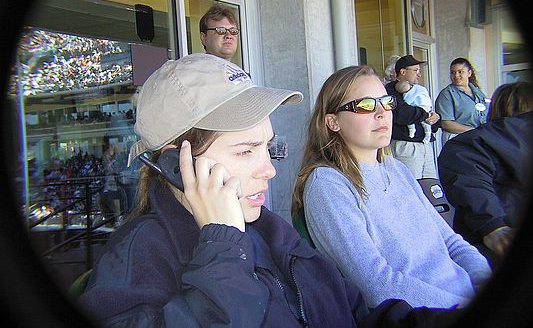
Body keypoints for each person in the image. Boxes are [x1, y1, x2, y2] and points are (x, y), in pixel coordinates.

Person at [78, 54, 458, 327]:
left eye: (268, 148)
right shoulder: (140, 256)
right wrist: (220, 245)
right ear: (176, 163)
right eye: (246, 151)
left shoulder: (270, 230)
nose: (270, 170)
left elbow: (355, 313)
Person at [292, 64, 491, 309]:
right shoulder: (328, 184)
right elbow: (379, 285)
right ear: (333, 122)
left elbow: (451, 242)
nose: (381, 113)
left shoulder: (397, 170)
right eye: (365, 105)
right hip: (425, 313)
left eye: (386, 102)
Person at [438, 81, 533, 268]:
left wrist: (493, 226)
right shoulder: (449, 95)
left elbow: (469, 177)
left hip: (489, 249)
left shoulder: (476, 143)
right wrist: (493, 226)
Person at [385, 55, 441, 179]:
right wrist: (425, 114)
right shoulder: (390, 90)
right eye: (415, 70)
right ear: (403, 71)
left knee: (431, 185)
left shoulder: (419, 90)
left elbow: (430, 113)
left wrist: (436, 118)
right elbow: (403, 114)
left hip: (426, 145)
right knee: (410, 185)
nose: (419, 74)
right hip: (406, 146)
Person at [435, 57, 490, 144]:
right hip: (459, 141)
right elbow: (446, 124)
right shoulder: (447, 94)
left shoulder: (478, 92)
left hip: (479, 139)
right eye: (453, 72)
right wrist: (475, 131)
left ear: (469, 73)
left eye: (460, 72)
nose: (456, 75)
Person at [394, 79, 433, 143]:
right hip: (423, 108)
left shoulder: (416, 89)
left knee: (425, 123)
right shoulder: (393, 90)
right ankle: (414, 131)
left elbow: (408, 102)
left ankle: (426, 134)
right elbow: (407, 113)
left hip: (423, 106)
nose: (418, 75)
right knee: (411, 120)